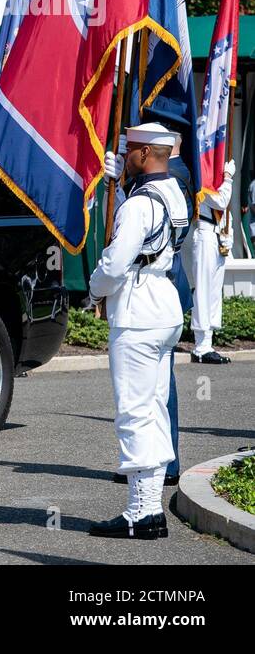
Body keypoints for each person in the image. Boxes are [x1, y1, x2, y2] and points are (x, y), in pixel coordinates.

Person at [90, 122, 190, 539]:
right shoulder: (174, 193)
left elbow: (115, 265)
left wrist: (95, 287)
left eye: (130, 151)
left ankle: (139, 512)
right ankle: (148, 510)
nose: (125, 156)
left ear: (146, 153)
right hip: (163, 306)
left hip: (137, 311)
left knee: (134, 413)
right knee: (153, 411)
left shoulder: (137, 204)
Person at [186, 156, 236, 364]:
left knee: (214, 292)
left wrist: (228, 234)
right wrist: (228, 179)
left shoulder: (216, 181)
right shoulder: (201, 180)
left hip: (217, 235)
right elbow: (221, 200)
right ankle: (200, 346)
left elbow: (225, 211)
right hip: (204, 232)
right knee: (203, 290)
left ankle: (208, 342)